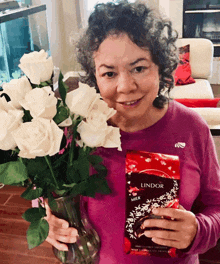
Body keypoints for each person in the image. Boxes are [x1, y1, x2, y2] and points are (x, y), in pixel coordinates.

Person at [44, 1, 220, 263]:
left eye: (139, 68)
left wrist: (198, 230)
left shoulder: (192, 128)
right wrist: (49, 222)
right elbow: (49, 194)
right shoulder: (76, 133)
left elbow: (216, 205)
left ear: (161, 66)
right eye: (109, 73)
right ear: (95, 76)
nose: (125, 86)